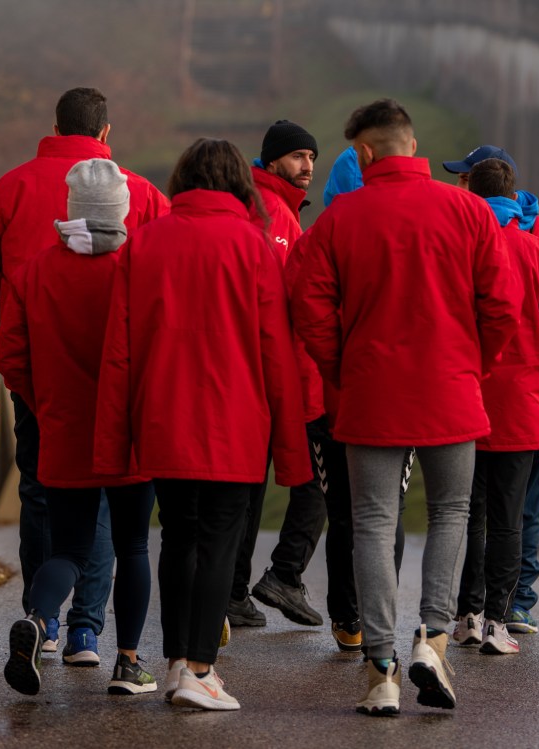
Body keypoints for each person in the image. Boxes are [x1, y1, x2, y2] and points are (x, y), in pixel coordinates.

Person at [292, 99, 522, 716]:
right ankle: (436, 640)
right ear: (412, 146)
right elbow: (502, 305)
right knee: (450, 513)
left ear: (365, 152)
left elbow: (308, 304)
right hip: (451, 387)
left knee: (371, 520)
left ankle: (382, 667)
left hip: (371, 392)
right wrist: (476, 365)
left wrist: (342, 369)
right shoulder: (470, 211)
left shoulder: (341, 220)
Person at [94, 138, 313, 711]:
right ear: (238, 182)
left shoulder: (145, 242)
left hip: (163, 417)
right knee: (220, 541)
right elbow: (276, 352)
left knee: (178, 538)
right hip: (236, 421)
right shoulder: (255, 245)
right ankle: (199, 668)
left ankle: (173, 664)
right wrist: (291, 448)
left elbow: (120, 349)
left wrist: (115, 438)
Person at [0, 87, 169, 662]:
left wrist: (36, 395)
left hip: (48, 396)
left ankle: (42, 620)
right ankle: (92, 634)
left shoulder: (11, 194)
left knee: (43, 502)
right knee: (121, 527)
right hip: (124, 412)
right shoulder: (145, 201)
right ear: (105, 134)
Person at [0, 159, 157, 697]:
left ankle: (40, 620)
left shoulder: (35, 271)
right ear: (122, 211)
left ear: (72, 212)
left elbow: (12, 358)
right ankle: (128, 664)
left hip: (63, 429)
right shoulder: (140, 268)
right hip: (130, 432)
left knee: (66, 549)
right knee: (133, 546)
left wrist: (47, 406)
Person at [443, 145, 539, 634]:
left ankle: (464, 612)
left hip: (463, 401)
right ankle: (500, 620)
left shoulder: (454, 248)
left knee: (465, 514)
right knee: (511, 515)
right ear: (513, 196)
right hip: (524, 404)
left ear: (471, 191)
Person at [304, 146, 412, 653]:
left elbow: (307, 314)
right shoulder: (399, 241)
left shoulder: (322, 236)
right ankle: (378, 616)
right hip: (393, 400)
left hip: (332, 401)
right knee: (387, 512)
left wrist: (333, 367)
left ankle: (349, 618)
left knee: (344, 513)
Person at [224, 119, 327, 629]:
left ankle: (238, 589)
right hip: (279, 371)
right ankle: (270, 578)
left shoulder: (274, 205)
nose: (307, 167)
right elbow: (278, 297)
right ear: (271, 160)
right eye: (298, 157)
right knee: (309, 479)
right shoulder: (271, 212)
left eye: (311, 158)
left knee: (253, 482)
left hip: (268, 369)